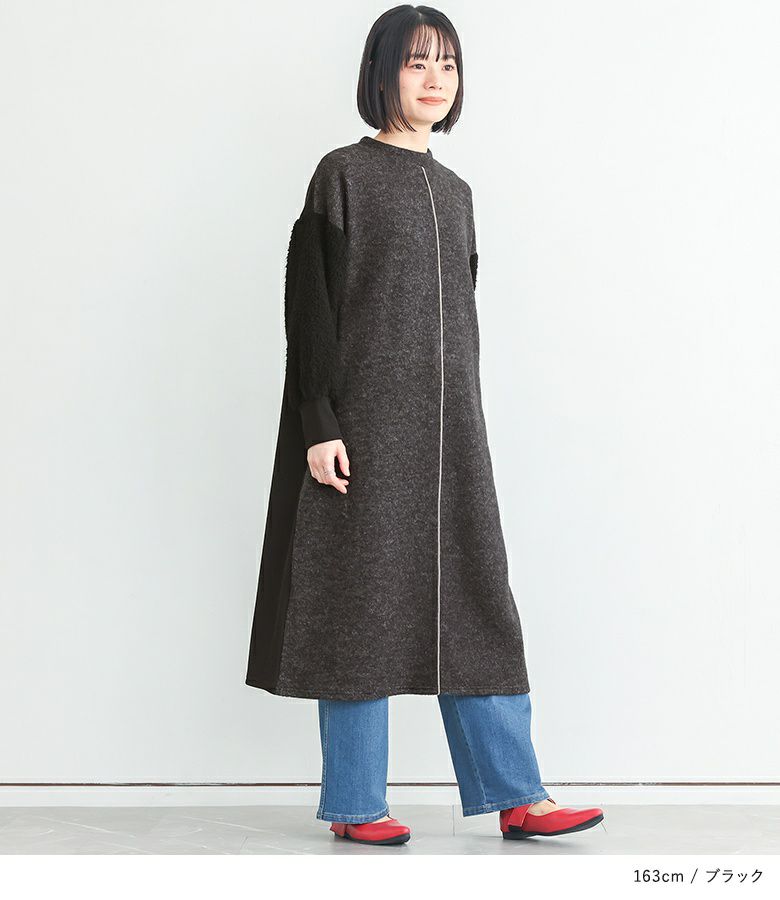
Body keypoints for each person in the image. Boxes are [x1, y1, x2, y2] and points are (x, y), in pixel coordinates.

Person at [246, 4, 604, 846]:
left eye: (447, 62)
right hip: (363, 433)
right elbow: (310, 309)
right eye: (416, 63)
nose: (435, 78)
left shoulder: (457, 193)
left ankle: (516, 794)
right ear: (382, 75)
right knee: (358, 605)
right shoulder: (341, 174)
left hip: (451, 440)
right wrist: (319, 421)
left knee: (476, 601)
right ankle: (355, 805)